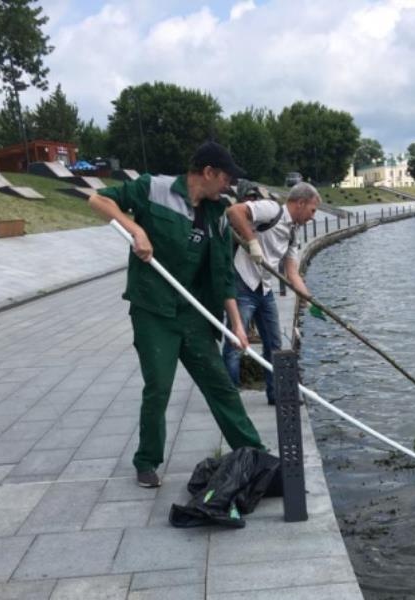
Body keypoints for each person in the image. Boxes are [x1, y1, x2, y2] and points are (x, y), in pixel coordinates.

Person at [88, 141, 264, 488]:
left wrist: (238, 327)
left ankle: (254, 453)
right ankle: (147, 461)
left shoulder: (217, 214)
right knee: (159, 388)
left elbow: (222, 277)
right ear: (208, 172)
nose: (228, 187)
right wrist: (136, 230)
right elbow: (98, 200)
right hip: (154, 310)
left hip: (194, 314)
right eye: (226, 178)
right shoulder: (153, 189)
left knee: (221, 386)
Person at [223, 181, 321, 404]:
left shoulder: (293, 233)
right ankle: (228, 398)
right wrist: (252, 241)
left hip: (264, 289)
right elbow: (234, 211)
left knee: (274, 344)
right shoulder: (271, 210)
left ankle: (276, 395)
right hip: (243, 282)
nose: (313, 216)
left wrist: (307, 297)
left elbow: (292, 273)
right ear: (300, 203)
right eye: (312, 210)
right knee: (236, 342)